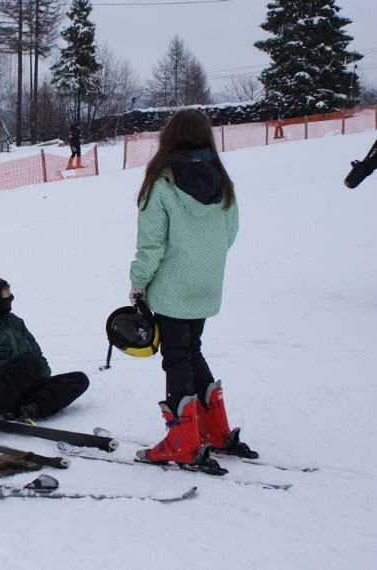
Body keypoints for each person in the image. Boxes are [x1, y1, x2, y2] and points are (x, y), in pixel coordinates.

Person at [128, 109, 254, 471]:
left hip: (171, 287)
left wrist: (139, 284)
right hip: (207, 283)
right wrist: (204, 261)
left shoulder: (162, 183)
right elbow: (230, 233)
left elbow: (151, 245)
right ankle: (215, 429)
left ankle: (182, 441)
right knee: (192, 349)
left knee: (177, 357)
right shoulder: (220, 179)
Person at [0, 274, 89, 436]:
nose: (10, 293)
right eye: (5, 290)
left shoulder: (15, 322)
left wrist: (43, 383)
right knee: (28, 363)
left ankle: (22, 410)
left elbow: (36, 352)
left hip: (19, 383)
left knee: (78, 380)